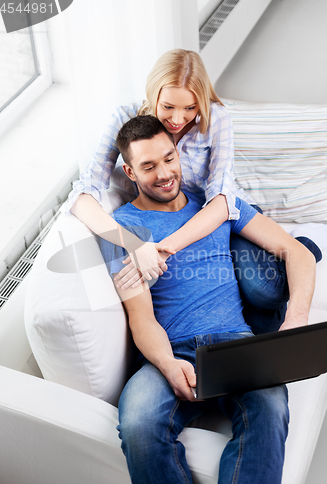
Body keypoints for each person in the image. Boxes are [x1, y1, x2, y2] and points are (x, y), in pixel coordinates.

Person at [99, 115, 316, 484]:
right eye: (149, 166)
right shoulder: (122, 229)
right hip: (169, 351)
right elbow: (141, 317)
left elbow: (294, 251)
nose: (164, 173)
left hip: (234, 344)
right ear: (130, 171)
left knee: (269, 408)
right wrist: (168, 363)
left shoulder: (215, 205)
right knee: (137, 422)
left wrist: (297, 317)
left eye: (169, 158)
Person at [64, 48, 321, 334]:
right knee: (254, 310)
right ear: (154, 95)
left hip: (220, 216)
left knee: (263, 292)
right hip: (177, 217)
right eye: (168, 107)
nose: (177, 118)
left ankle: (302, 251)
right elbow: (82, 195)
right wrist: (134, 245)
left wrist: (164, 249)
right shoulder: (124, 119)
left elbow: (222, 199)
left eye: (190, 107)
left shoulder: (217, 118)